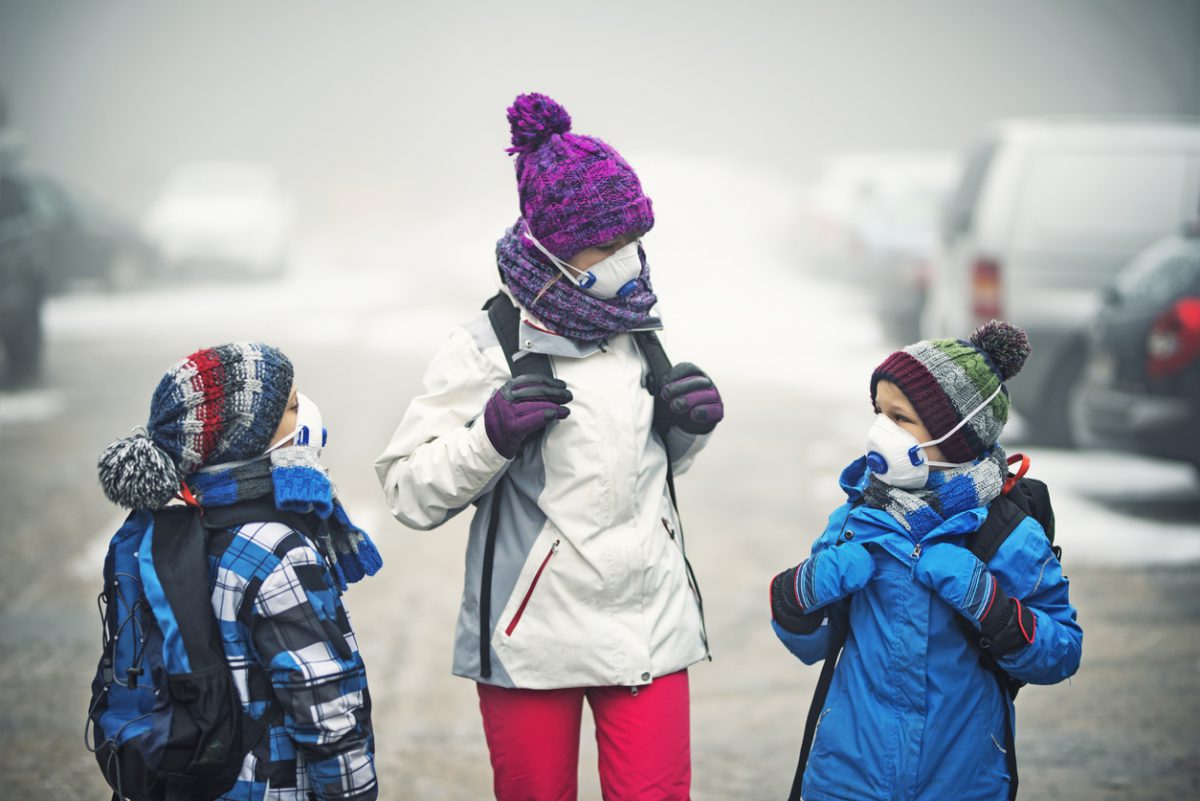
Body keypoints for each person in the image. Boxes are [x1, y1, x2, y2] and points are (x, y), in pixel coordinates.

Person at [375, 92, 724, 800]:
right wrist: (491, 437)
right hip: (529, 641)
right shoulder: (486, 346)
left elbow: (647, 468)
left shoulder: (640, 328)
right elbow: (408, 488)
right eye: (608, 246)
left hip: (648, 632)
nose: (628, 261)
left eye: (634, 240)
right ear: (556, 250)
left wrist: (686, 427)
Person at [768, 321, 1082, 801]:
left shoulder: (1007, 533)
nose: (880, 430)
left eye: (900, 418)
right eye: (879, 412)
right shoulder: (859, 516)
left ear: (956, 436)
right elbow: (811, 643)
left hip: (961, 780)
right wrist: (801, 594)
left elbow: (1062, 650)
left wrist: (993, 608)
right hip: (848, 777)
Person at [97, 342, 380, 801]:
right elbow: (324, 709)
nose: (307, 412)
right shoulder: (277, 550)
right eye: (291, 406)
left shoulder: (169, 524)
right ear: (248, 439)